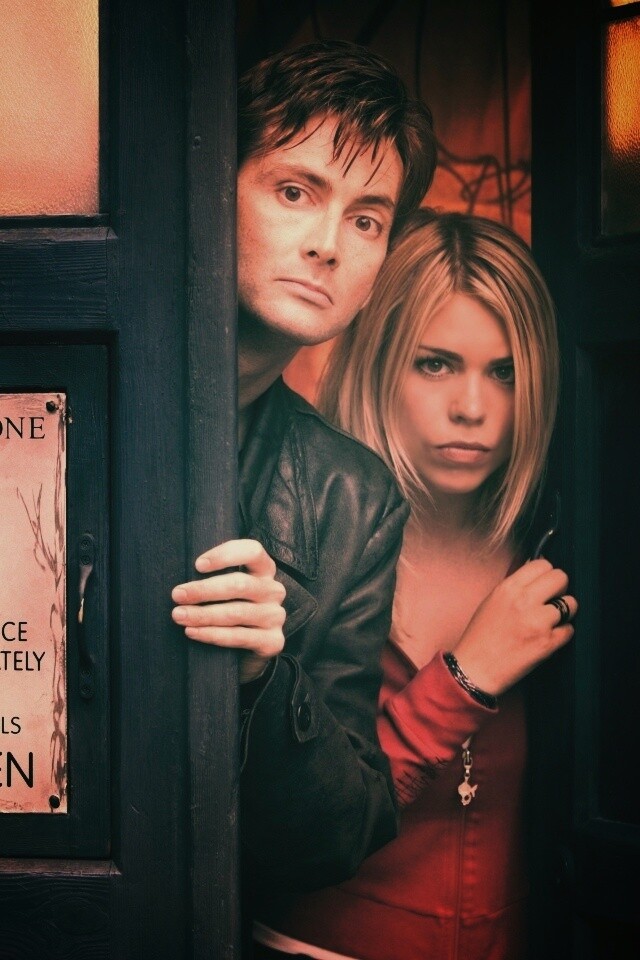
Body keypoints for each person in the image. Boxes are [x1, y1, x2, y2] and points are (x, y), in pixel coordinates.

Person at [252, 209, 578, 960]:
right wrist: (464, 679)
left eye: (505, 372)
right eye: (435, 364)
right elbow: (294, 818)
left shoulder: (563, 544)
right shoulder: (302, 544)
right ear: (379, 363)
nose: (473, 408)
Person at [170, 39, 437, 905]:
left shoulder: (354, 496)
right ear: (214, 189)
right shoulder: (57, 396)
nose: (328, 245)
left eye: (366, 220)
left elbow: (340, 836)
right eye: (295, 192)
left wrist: (262, 675)